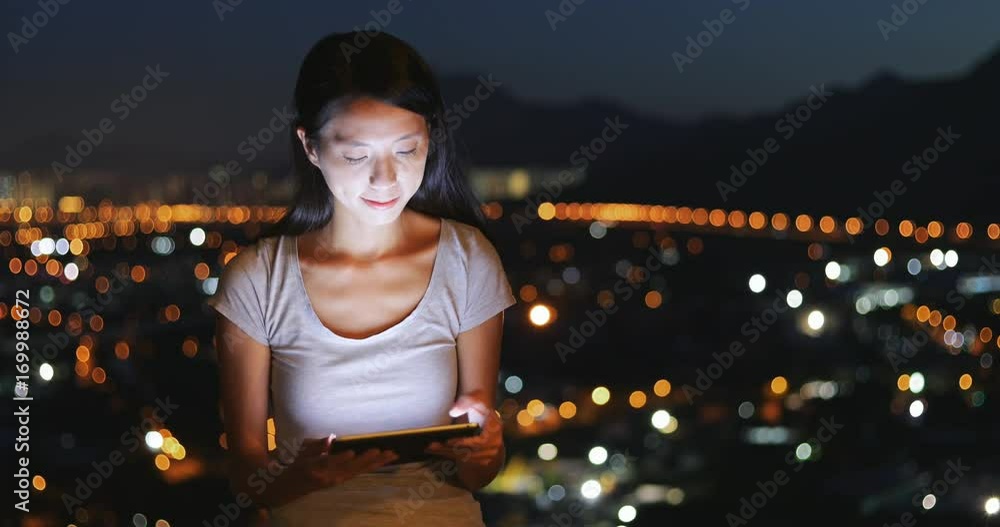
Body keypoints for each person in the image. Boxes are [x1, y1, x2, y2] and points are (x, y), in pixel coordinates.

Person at [206, 30, 516, 525]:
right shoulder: (258, 281)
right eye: (356, 156)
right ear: (309, 145)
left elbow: (478, 472)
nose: (386, 179)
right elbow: (248, 476)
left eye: (407, 150)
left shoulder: (466, 260)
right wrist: (306, 478)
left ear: (430, 140)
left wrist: (484, 452)